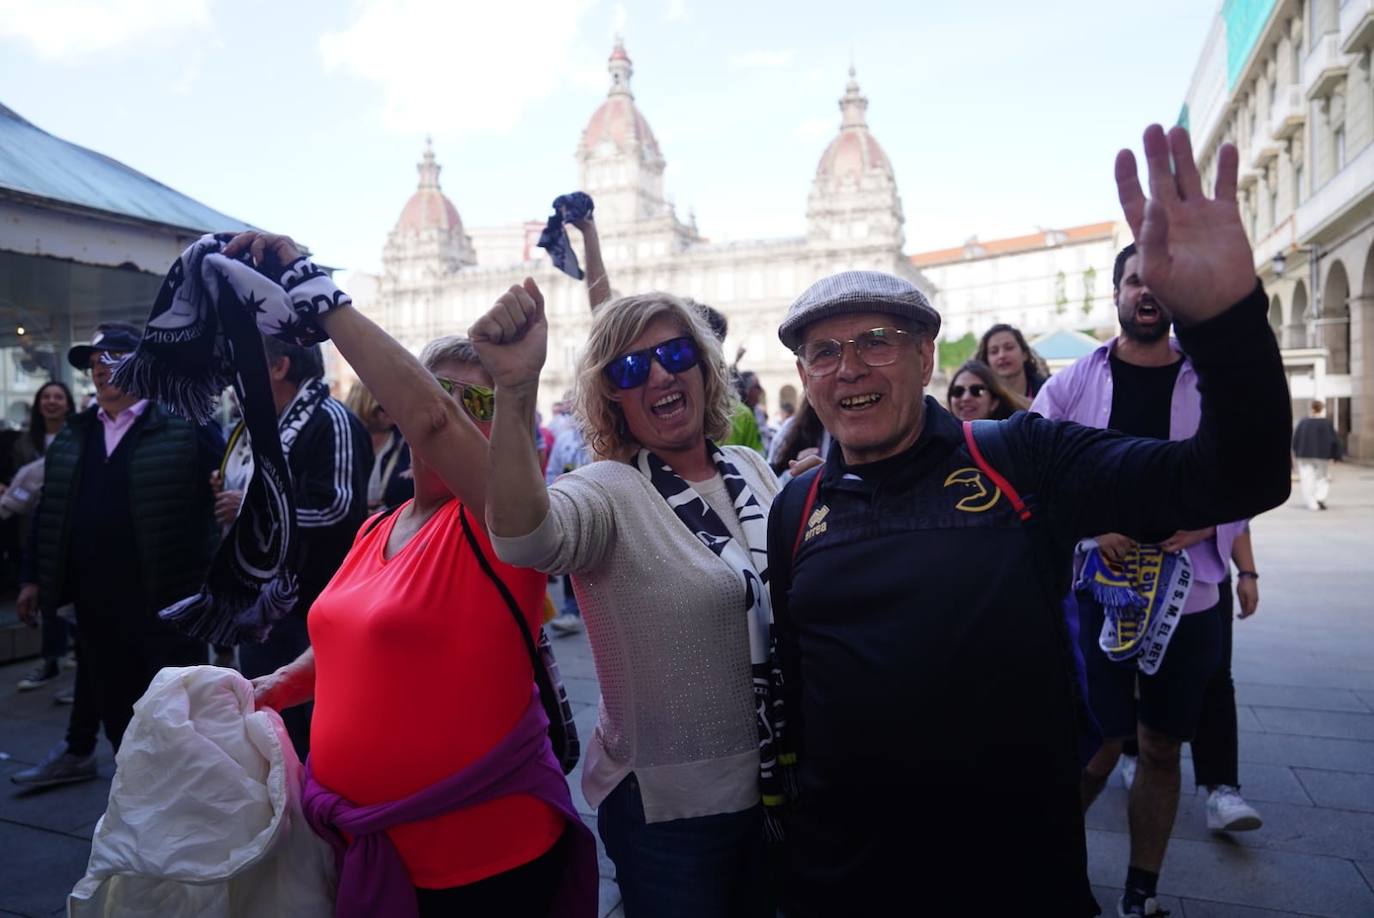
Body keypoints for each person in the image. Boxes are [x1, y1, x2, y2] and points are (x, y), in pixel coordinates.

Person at [765, 126, 1290, 917]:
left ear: (926, 354)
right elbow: (798, 695)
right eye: (822, 351)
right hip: (847, 882)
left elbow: (1237, 476)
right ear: (803, 376)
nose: (848, 368)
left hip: (1013, 877)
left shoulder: (1023, 461)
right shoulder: (795, 508)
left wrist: (1226, 328)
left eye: (876, 341)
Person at [227, 231, 595, 917]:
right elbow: (346, 638)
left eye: (475, 405)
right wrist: (279, 684)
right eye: (439, 393)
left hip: (482, 858)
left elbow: (432, 422)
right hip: (366, 848)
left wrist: (319, 295)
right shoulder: (378, 526)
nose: (454, 412)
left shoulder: (500, 521)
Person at [476, 282, 783, 917]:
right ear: (611, 396)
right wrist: (513, 390)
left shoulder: (751, 468)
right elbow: (523, 536)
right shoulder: (609, 489)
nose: (659, 375)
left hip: (782, 790)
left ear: (703, 364)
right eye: (630, 367)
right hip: (671, 819)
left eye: (674, 354)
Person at [1032, 238, 1264, 913]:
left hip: (1187, 600)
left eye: (1157, 283)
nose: (1145, 292)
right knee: (1098, 744)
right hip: (1096, 596)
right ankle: (1047, 867)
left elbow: (1247, 472)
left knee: (1162, 747)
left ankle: (1141, 893)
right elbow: (1034, 468)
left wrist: (1209, 522)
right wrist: (1087, 528)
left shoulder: (1208, 381)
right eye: (1134, 281)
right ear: (1117, 293)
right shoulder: (1077, 380)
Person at [12, 322, 222, 789]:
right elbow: (52, 509)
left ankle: (182, 802)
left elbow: (227, 496)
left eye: (112, 359)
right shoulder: (76, 432)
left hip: (166, 601)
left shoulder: (187, 425)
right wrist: (33, 577)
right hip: (95, 599)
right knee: (114, 705)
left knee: (173, 709)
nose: (100, 370)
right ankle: (135, 798)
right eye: (94, 362)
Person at [211, 338, 370, 761]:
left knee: (315, 731)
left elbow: (337, 509)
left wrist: (250, 508)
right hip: (260, 605)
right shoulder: (256, 425)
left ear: (279, 367)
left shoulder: (329, 419)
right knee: (267, 725)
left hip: (311, 606)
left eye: (244, 363)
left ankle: (316, 816)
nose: (234, 375)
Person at [12, 380, 76, 692]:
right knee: (47, 595)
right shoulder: (24, 442)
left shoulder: (81, 434)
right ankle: (52, 660)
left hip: (70, 527)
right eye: (46, 397)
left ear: (68, 403)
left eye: (58, 397)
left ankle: (77, 658)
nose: (51, 402)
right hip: (35, 526)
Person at [343, 380, 414, 512]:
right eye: (383, 406)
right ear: (364, 405)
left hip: (389, 524)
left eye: (396, 404)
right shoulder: (342, 441)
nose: (392, 411)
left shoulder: (409, 443)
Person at [977, 322, 1048, 398]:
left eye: (1009, 348)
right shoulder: (980, 398)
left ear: (1025, 354)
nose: (1002, 355)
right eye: (994, 351)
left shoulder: (1047, 391)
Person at [1292, 400, 1341, 510]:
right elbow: (1334, 440)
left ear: (1311, 408)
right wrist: (1335, 455)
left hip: (1304, 455)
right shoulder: (1326, 423)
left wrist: (1295, 452)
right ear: (1322, 409)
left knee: (1306, 479)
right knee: (1322, 478)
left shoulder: (1303, 423)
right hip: (1322, 456)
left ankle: (1311, 502)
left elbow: (1296, 439)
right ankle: (1319, 497)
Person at [945, 358, 1028, 421]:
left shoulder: (1016, 439)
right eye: (958, 391)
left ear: (994, 402)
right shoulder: (937, 439)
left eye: (977, 391)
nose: (966, 398)